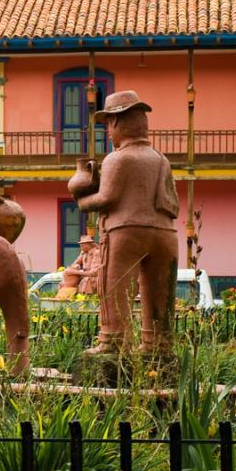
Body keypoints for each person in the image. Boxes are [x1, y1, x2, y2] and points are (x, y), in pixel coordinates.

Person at [72, 91, 179, 356]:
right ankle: (158, 346)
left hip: (125, 230)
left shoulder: (117, 159)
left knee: (114, 286)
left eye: (108, 124)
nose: (108, 130)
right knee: (159, 291)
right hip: (165, 234)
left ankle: (113, 343)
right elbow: (173, 202)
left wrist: (82, 201)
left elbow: (107, 198)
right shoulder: (162, 160)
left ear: (118, 123)